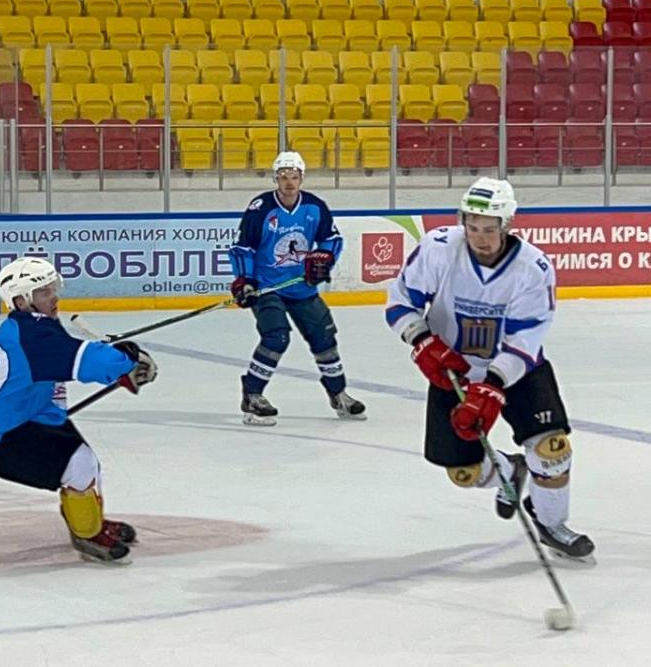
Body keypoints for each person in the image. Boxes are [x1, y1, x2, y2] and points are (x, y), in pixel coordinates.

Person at [385, 177, 594, 563]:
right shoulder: (439, 248)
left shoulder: (533, 268)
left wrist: (494, 383)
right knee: (464, 472)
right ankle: (509, 471)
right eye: (473, 226)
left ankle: (551, 523)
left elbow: (526, 337)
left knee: (552, 449)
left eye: (489, 229)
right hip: (453, 371)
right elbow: (401, 302)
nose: (480, 238)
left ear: (507, 224)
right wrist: (421, 341)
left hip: (517, 372)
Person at [0, 257, 158, 564]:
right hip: (4, 437)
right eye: (43, 292)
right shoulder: (32, 337)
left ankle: (89, 523)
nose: (53, 297)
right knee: (79, 465)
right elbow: (86, 360)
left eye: (52, 289)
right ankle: (87, 535)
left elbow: (62, 361)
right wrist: (125, 360)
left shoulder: (28, 326)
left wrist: (119, 367)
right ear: (20, 300)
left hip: (26, 417)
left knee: (87, 464)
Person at [227, 151, 366, 426]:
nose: (289, 182)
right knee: (276, 337)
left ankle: (338, 395)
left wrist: (324, 258)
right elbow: (243, 248)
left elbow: (332, 240)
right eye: (283, 177)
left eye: (294, 176)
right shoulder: (261, 208)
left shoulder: (315, 207)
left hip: (302, 287)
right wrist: (245, 280)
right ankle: (252, 396)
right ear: (275, 178)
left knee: (324, 339)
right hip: (268, 288)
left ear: (302, 177)